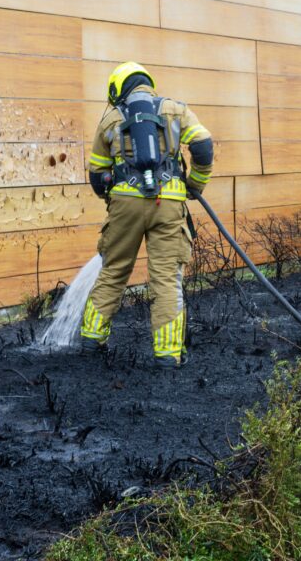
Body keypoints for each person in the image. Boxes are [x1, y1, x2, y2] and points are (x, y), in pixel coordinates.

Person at [80, 62, 214, 368]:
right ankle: (167, 356)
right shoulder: (176, 110)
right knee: (166, 280)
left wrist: (112, 199)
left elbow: (96, 174)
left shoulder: (110, 118)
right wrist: (194, 185)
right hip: (167, 204)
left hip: (124, 204)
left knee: (113, 271)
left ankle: (91, 340)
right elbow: (204, 147)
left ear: (117, 89)